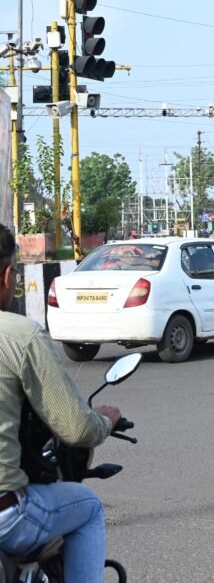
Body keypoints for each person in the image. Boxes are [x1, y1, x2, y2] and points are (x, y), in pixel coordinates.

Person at [0, 223, 123, 582]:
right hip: (7, 514)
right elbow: (77, 427)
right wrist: (105, 422)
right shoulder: (19, 335)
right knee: (87, 507)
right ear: (9, 275)